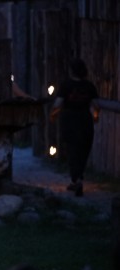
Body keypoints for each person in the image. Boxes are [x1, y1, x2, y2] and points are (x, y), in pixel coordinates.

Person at [50, 58, 100, 197]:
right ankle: (79, 178)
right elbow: (96, 105)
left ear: (71, 71)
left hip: (69, 120)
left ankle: (76, 179)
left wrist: (53, 115)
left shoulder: (66, 85)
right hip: (85, 119)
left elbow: (58, 104)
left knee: (72, 150)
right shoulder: (89, 86)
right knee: (84, 149)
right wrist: (96, 116)